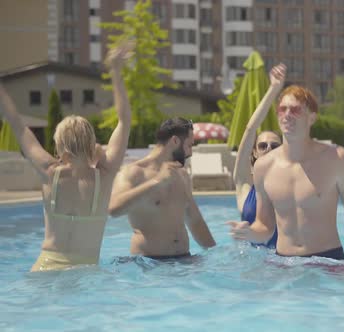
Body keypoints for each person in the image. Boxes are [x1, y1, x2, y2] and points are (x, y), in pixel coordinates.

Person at [0, 42, 133, 272]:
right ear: (91, 144)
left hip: (44, 269)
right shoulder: (106, 174)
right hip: (85, 274)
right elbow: (124, 121)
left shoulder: (49, 171)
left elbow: (18, 125)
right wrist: (116, 72)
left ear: (60, 148)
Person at [228, 85, 344, 260]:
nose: (287, 114)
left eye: (295, 110)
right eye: (282, 109)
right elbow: (265, 226)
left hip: (328, 261)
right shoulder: (263, 167)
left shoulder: (336, 158)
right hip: (284, 265)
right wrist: (249, 232)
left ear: (311, 118)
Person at [108, 117, 216, 259]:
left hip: (184, 261)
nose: (191, 153)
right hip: (149, 266)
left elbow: (195, 220)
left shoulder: (182, 175)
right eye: (189, 145)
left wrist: (216, 254)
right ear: (175, 141)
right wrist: (157, 181)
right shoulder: (134, 172)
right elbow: (114, 209)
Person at [233, 64, 286, 248]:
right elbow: (250, 129)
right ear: (254, 152)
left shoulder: (293, 184)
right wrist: (273, 90)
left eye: (274, 145)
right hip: (252, 265)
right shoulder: (245, 186)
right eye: (262, 146)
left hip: (283, 264)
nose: (269, 149)